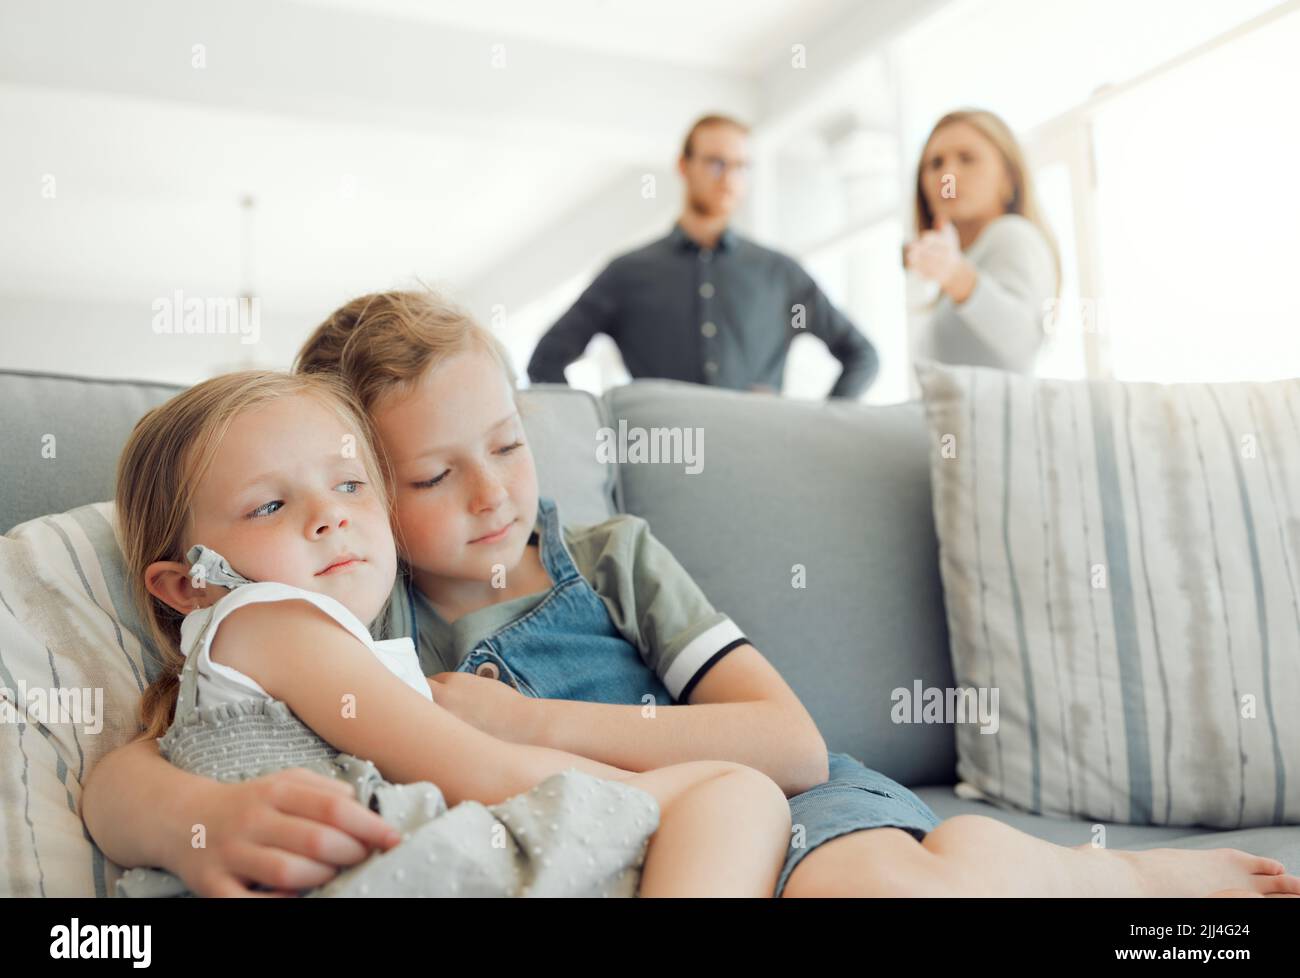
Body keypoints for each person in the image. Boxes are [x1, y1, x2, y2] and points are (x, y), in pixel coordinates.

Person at [85, 291, 1300, 898]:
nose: (490, 495)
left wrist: (530, 724)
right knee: (951, 865)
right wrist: (187, 830)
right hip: (651, 854)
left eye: (507, 444)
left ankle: (1124, 880)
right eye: (426, 476)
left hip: (789, 807)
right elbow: (144, 748)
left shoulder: (611, 556)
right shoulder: (352, 610)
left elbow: (787, 741)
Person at [100, 369, 792, 897]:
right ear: (191, 585)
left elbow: (115, 786)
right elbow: (483, 774)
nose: (328, 516)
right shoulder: (271, 620)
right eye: (271, 504)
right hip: (400, 863)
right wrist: (666, 788)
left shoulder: (290, 649)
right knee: (735, 793)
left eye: (348, 485)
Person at [527, 114, 879, 399]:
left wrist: (820, 428)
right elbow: (546, 360)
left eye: (741, 167)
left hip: (759, 460)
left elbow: (862, 355)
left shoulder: (780, 273)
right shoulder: (627, 274)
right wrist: (592, 435)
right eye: (715, 164)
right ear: (684, 166)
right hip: (661, 464)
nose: (728, 179)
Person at [906, 108, 1060, 376]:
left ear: (1008, 178)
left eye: (967, 158)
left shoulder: (1011, 234)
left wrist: (957, 275)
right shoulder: (965, 261)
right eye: (935, 164)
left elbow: (1024, 341)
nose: (948, 175)